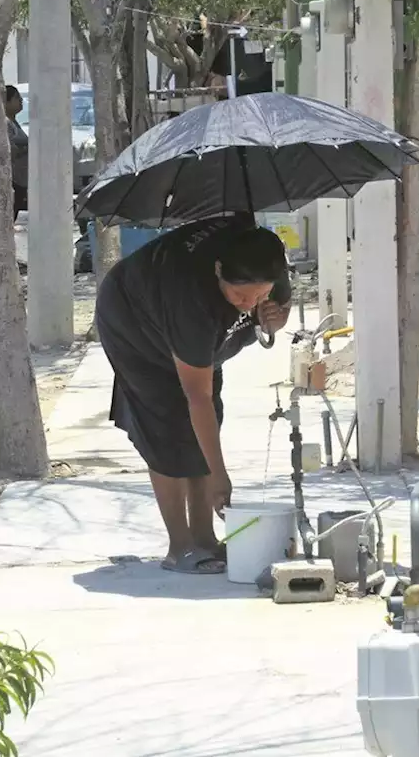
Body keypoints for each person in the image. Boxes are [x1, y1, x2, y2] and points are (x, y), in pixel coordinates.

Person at [94, 214, 293, 575]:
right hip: (134, 324)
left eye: (259, 294)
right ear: (218, 270)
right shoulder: (190, 298)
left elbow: (273, 315)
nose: (249, 303)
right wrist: (220, 474)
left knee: (207, 422)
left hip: (196, 338)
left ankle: (204, 538)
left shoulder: (266, 261)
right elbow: (195, 397)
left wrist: (273, 319)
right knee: (167, 428)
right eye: (239, 294)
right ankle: (180, 546)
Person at [4, 85, 29, 216]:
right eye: (17, 98)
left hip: (21, 181)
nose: (21, 101)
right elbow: (9, 150)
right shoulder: (5, 123)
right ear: (6, 101)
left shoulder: (14, 122)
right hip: (14, 181)